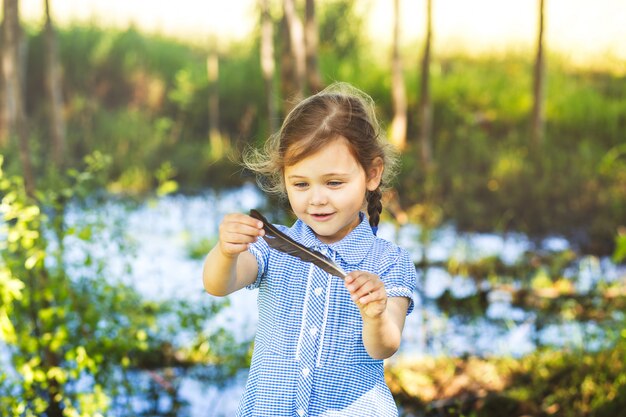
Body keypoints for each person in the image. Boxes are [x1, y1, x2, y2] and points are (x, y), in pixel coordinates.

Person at [202, 82, 417, 417]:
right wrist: (226, 252)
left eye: (334, 183)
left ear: (372, 174)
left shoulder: (389, 261)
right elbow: (218, 285)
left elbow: (384, 347)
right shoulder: (273, 246)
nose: (316, 199)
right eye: (300, 184)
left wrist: (375, 314)